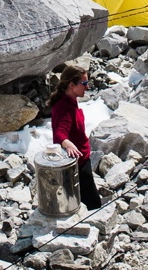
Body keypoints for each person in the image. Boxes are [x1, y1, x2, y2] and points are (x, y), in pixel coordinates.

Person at [49, 65, 101, 210]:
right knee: (93, 204)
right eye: (84, 83)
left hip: (81, 160)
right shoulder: (64, 107)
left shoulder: (70, 101)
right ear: (72, 85)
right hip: (77, 164)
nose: (87, 87)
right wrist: (68, 144)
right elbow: (60, 134)